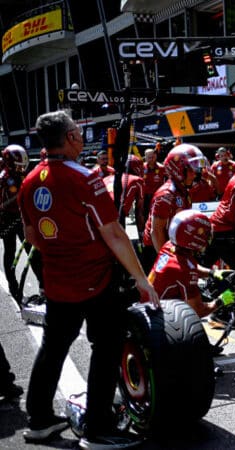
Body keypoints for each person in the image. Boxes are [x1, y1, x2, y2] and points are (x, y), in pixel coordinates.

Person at [18, 110, 158, 448]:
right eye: (77, 133)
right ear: (69, 139)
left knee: (54, 347)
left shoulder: (29, 180)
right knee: (107, 346)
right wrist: (142, 279)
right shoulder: (85, 177)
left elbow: (32, 236)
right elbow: (114, 234)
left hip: (56, 280)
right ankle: (99, 429)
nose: (81, 138)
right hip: (95, 280)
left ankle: (39, 420)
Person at [148, 210, 235, 317]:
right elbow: (198, 311)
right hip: (159, 317)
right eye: (206, 234)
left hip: (150, 306)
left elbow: (189, 266)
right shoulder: (184, 271)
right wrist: (221, 301)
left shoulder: (170, 246)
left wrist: (212, 273)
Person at [141, 144, 200, 272]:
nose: (194, 174)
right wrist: (167, 260)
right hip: (156, 249)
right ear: (178, 170)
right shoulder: (166, 195)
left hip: (172, 246)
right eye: (191, 170)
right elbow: (156, 232)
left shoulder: (183, 190)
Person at [0, 145, 36, 302]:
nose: (22, 170)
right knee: (10, 252)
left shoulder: (19, 174)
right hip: (7, 220)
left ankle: (43, 286)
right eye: (19, 166)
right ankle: (14, 288)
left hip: (21, 218)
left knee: (33, 252)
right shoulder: (3, 178)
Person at [103, 154, 146, 235]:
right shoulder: (137, 180)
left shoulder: (106, 178)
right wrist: (141, 233)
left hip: (98, 213)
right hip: (116, 212)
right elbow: (139, 210)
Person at [142, 148, 165, 213]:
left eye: (153, 157)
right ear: (145, 157)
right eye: (149, 157)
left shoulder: (161, 168)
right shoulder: (141, 167)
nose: (152, 159)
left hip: (157, 196)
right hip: (144, 196)